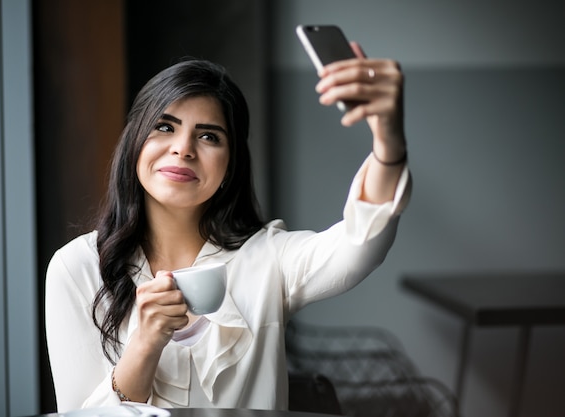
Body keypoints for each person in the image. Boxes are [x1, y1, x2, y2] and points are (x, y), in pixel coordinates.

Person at [45, 41, 411, 412]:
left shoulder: (268, 257)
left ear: (229, 166)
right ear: (135, 143)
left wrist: (388, 142)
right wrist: (144, 343)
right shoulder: (77, 268)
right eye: (164, 126)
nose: (183, 148)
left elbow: (360, 244)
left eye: (208, 136)